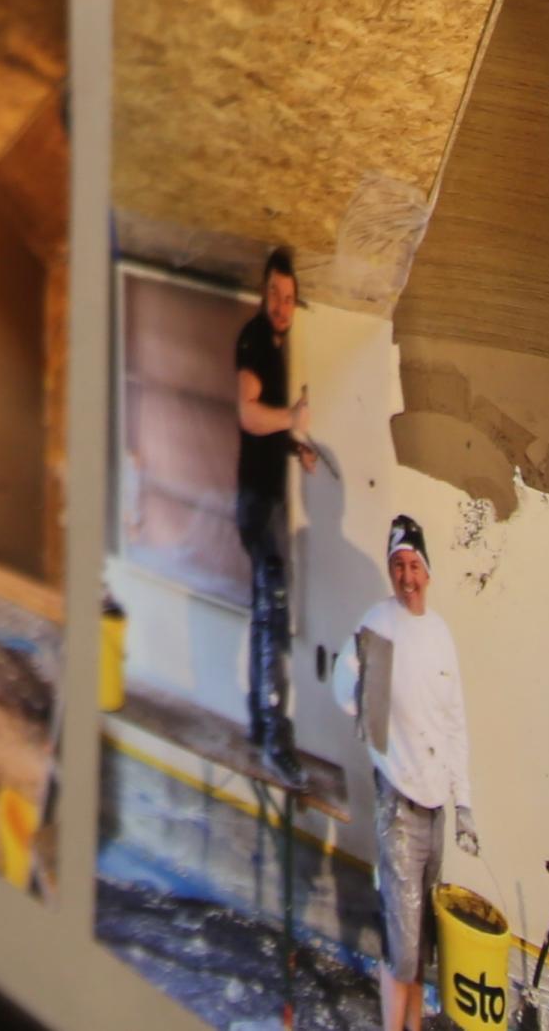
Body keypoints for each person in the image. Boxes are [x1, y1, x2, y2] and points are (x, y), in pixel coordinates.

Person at [324, 514, 485, 1031]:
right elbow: (343, 688)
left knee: (422, 947)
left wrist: (463, 802)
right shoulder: (378, 624)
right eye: (397, 566)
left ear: (428, 571)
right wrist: (364, 696)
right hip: (399, 807)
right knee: (403, 949)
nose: (406, 577)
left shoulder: (440, 634)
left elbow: (455, 723)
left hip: (436, 811)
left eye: (414, 565)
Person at [231, 243, 333, 768]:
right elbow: (250, 415)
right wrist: (292, 418)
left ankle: (258, 722)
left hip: (263, 500)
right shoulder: (255, 341)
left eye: (289, 298)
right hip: (258, 504)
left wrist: (295, 444)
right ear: (263, 292)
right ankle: (276, 739)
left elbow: (267, 427)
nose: (281, 305)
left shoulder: (274, 346)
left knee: (264, 612)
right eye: (274, 293)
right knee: (273, 616)